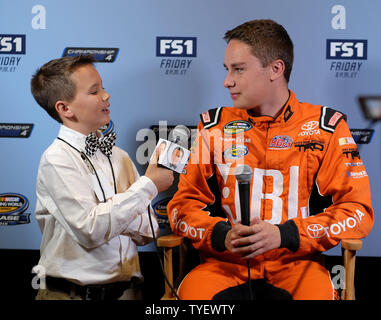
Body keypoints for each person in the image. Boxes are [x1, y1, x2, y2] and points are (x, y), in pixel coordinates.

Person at [167, 19, 374, 300]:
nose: (227, 81)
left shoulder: (326, 126)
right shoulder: (213, 126)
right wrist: (220, 235)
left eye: (238, 69)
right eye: (228, 70)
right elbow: (182, 207)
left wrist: (285, 234)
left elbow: (358, 211)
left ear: (276, 69)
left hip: (297, 264)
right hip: (225, 265)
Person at [30, 55, 173, 300]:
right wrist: (147, 186)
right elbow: (90, 230)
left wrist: (110, 215)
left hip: (128, 291)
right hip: (71, 295)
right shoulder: (57, 159)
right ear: (65, 108)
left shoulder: (120, 156)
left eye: (103, 87)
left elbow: (149, 229)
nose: (106, 96)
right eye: (94, 91)